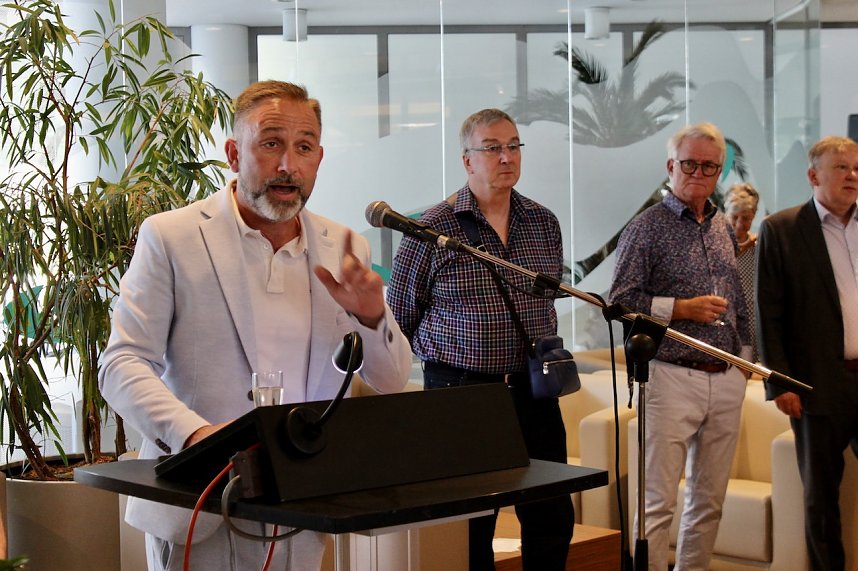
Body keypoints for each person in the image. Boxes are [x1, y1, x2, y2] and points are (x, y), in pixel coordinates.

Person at [99, 80, 412, 571]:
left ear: (319, 159)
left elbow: (391, 380)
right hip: (198, 499)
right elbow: (121, 363)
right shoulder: (172, 236)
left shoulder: (343, 245)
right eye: (270, 144)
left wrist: (372, 316)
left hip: (301, 499)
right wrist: (197, 437)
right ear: (233, 153)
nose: (288, 164)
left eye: (304, 147)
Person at [386, 108, 574, 570]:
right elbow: (400, 317)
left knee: (551, 514)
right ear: (467, 160)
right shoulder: (432, 229)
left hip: (533, 390)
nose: (506, 157)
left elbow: (548, 301)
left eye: (513, 146)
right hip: (461, 394)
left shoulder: (542, 221)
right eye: (492, 148)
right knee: (471, 525)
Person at [609, 122, 752, 571]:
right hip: (670, 376)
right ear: (671, 166)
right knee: (657, 501)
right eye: (690, 164)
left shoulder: (722, 226)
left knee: (709, 501)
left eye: (709, 166)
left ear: (719, 172)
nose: (698, 174)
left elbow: (739, 298)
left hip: (725, 377)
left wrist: (745, 361)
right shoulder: (646, 228)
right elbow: (619, 303)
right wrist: (680, 308)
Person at [756, 135, 858, 571]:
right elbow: (768, 312)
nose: (852, 175)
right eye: (842, 167)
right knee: (821, 497)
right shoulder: (781, 229)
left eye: (856, 168)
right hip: (815, 385)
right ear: (814, 175)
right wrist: (779, 382)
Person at [724, 182, 760, 361]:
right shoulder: (715, 246)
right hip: (723, 324)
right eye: (734, 217)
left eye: (746, 218)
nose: (739, 224)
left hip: (751, 325)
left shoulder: (758, 249)